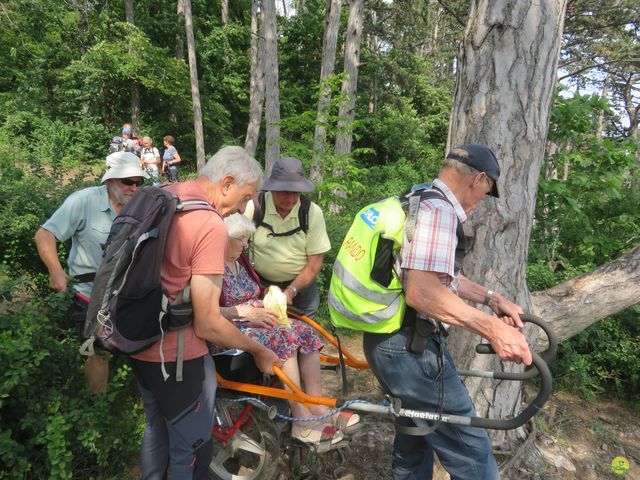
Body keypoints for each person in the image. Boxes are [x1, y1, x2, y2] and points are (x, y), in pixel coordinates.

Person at [361, 144, 533, 480]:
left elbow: (438, 275)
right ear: (479, 178)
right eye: (486, 191)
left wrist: (492, 298)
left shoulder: (417, 198)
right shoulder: (439, 212)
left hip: (386, 342)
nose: (482, 200)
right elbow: (422, 291)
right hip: (412, 352)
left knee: (415, 440)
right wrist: (495, 330)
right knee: (474, 460)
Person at [128, 146, 280, 479]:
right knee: (192, 450)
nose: (242, 208)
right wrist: (259, 349)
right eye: (244, 198)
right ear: (226, 183)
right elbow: (208, 323)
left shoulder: (165, 196)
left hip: (138, 341)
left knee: (156, 428)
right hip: (178, 357)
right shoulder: (209, 224)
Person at [217, 213, 360, 447]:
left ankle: (317, 403)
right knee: (283, 335)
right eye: (241, 238)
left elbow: (255, 291)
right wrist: (244, 312)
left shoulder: (239, 260)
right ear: (224, 238)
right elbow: (208, 310)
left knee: (305, 330)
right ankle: (300, 418)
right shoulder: (213, 264)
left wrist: (270, 293)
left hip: (258, 320)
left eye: (246, 239)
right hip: (233, 328)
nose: (245, 244)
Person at [35, 152, 149, 395]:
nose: (134, 188)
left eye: (139, 182)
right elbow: (44, 235)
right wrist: (56, 271)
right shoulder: (84, 201)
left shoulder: (144, 207)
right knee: (96, 351)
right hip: (89, 295)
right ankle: (97, 406)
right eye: (127, 181)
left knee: (142, 345)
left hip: (130, 293)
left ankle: (143, 399)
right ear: (109, 180)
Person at [245, 156, 330, 319]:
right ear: (273, 188)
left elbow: (314, 264)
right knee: (265, 333)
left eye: (296, 193)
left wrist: (291, 291)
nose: (291, 199)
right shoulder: (255, 207)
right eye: (285, 193)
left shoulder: (311, 212)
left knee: (302, 336)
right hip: (260, 284)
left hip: (302, 289)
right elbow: (233, 249)